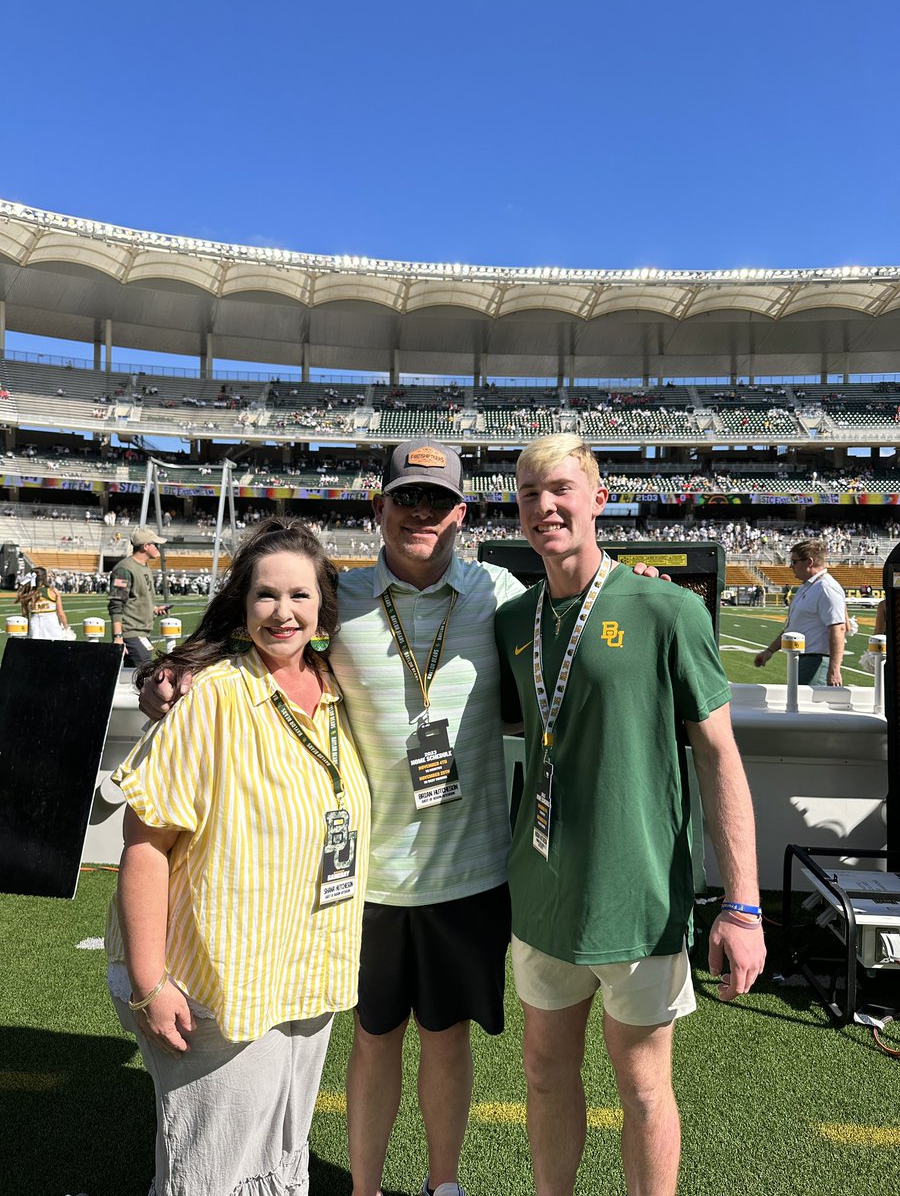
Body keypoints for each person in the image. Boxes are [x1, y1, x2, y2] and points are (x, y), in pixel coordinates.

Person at [140, 438, 665, 1196]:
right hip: (366, 878)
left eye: (438, 500)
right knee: (374, 1038)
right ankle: (364, 1187)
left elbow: (578, 605)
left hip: (472, 869)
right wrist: (178, 667)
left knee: (447, 1040)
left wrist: (633, 583)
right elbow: (260, 633)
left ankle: (442, 1183)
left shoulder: (496, 591)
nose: (422, 512)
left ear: (461, 513)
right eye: (407, 497)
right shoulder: (341, 597)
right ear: (378, 505)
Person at [494, 433, 766, 1196]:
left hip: (638, 897)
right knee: (545, 1075)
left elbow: (719, 758)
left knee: (644, 1090)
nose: (545, 507)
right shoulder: (514, 622)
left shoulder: (667, 607)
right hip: (542, 893)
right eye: (528, 494)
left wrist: (743, 906)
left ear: (598, 499)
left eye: (560, 490)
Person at [105, 517, 370, 1196]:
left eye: (300, 597)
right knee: (211, 1170)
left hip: (305, 973)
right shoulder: (215, 697)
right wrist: (149, 983)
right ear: (243, 605)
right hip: (216, 986)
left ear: (323, 608)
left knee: (279, 1157)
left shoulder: (340, 693)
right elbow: (144, 842)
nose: (283, 613)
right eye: (265, 596)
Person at [754, 539, 847, 685]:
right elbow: (794, 627)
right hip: (802, 657)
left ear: (809, 562)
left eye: (794, 561)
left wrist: (834, 670)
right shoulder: (808, 586)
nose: (791, 566)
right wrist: (770, 651)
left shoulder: (826, 588)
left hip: (816, 660)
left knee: (808, 706)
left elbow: (839, 628)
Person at [108, 527, 170, 666]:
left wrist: (153, 609)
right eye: (156, 544)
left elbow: (136, 598)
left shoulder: (144, 566)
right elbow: (116, 604)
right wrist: (118, 637)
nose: (158, 548)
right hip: (130, 634)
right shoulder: (125, 569)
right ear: (146, 546)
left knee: (140, 678)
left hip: (141, 633)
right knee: (144, 676)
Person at [15, 566, 69, 639]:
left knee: (36, 648)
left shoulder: (27, 592)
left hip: (34, 625)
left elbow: (25, 615)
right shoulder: (53, 591)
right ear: (45, 577)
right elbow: (61, 613)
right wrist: (66, 628)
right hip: (51, 624)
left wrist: (27, 630)